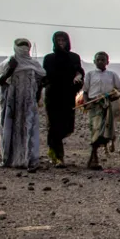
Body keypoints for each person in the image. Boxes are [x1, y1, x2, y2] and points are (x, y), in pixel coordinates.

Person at [0, 38, 44, 170]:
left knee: (28, 128)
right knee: (11, 129)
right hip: (12, 103)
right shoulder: (7, 63)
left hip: (28, 103)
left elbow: (41, 81)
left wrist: (37, 96)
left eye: (26, 46)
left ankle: (28, 159)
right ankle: (9, 158)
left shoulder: (34, 64)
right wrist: (10, 70)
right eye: (21, 46)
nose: (24, 49)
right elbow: (0, 82)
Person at [42, 30, 84, 165]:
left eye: (63, 41)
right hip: (53, 96)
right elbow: (46, 77)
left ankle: (55, 152)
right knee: (54, 126)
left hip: (68, 95)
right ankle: (57, 156)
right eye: (58, 41)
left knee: (67, 127)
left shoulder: (74, 57)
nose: (61, 43)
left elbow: (79, 72)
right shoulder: (49, 58)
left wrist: (78, 78)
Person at [82, 51, 120, 170]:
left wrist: (114, 96)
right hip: (94, 105)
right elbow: (85, 91)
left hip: (106, 106)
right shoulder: (90, 75)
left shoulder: (112, 75)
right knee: (95, 130)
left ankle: (93, 156)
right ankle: (93, 157)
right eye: (98, 60)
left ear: (107, 62)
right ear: (94, 61)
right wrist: (86, 103)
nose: (100, 62)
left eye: (103, 60)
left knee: (104, 131)